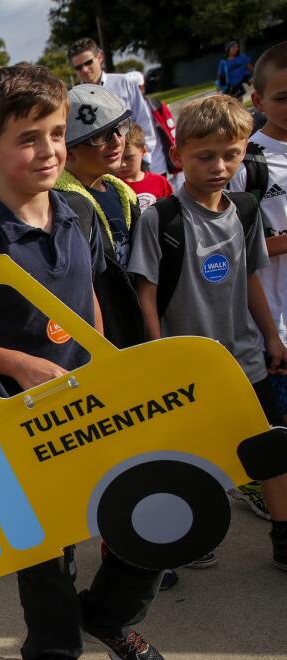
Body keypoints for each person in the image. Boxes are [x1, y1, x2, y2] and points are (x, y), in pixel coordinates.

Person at [0, 63, 168, 660]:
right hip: (19, 426)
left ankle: (109, 615)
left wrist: (98, 354)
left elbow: (86, 289)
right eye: (28, 138)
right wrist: (18, 363)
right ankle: (50, 657)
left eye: (57, 134)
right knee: (47, 550)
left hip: (90, 404)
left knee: (139, 512)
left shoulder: (76, 212)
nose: (49, 151)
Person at [129, 93, 287, 572]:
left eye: (231, 154)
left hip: (247, 356)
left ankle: (283, 534)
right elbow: (146, 294)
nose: (219, 166)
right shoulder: (161, 219)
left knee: (270, 448)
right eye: (205, 156)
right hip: (190, 365)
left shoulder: (244, 210)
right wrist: (157, 357)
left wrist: (272, 338)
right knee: (196, 454)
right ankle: (196, 536)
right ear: (177, 156)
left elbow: (252, 279)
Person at [232, 43, 287, 345]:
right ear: (259, 101)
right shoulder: (245, 163)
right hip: (276, 333)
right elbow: (229, 249)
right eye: (282, 99)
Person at [55, 83, 141, 269]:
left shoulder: (123, 195)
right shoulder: (64, 209)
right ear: (68, 152)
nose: (117, 140)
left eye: (120, 127)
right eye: (101, 136)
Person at [69, 38, 166, 176]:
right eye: (78, 67)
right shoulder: (75, 98)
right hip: (104, 169)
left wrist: (145, 159)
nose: (84, 69)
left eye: (88, 62)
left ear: (99, 57)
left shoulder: (124, 83)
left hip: (136, 164)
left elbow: (144, 121)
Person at [117, 124, 173, 210]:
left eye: (128, 158)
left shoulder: (160, 183)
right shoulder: (110, 187)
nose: (122, 164)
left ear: (143, 151)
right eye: (117, 157)